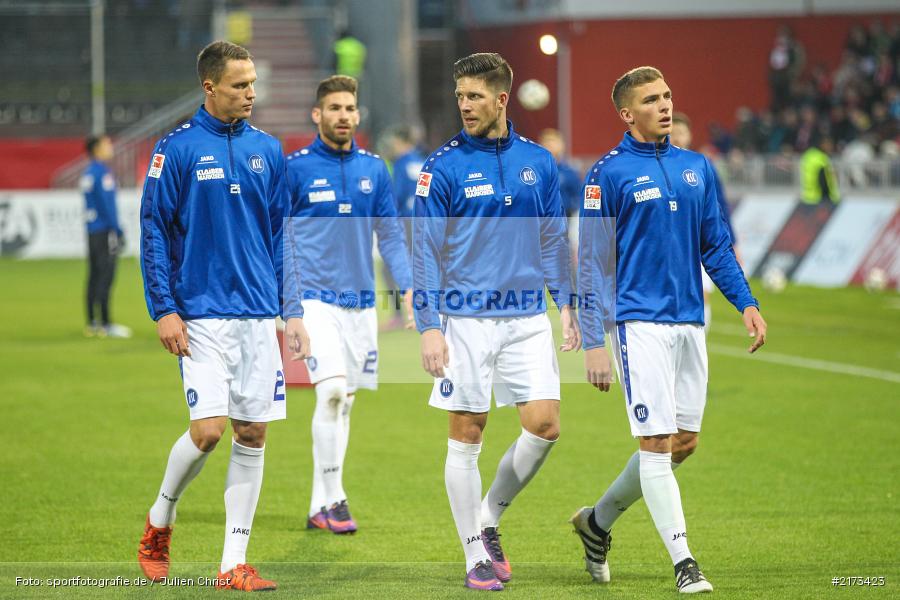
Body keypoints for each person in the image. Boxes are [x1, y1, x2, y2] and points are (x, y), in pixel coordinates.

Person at [573, 66, 767, 594]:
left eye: (667, 96)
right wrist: (593, 341)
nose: (664, 106)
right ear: (626, 113)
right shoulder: (606, 174)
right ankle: (684, 561)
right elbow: (590, 264)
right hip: (638, 325)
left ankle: (596, 523)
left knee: (683, 443)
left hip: (689, 323)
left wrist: (745, 302)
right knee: (655, 442)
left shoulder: (695, 167)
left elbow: (715, 247)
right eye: (651, 100)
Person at [137, 40, 309, 592]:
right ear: (209, 87)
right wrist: (164, 308)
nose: (250, 93)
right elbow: (153, 232)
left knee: (252, 433)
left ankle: (232, 564)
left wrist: (293, 310)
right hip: (201, 314)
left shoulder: (268, 149)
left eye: (253, 84)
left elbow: (282, 235)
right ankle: (160, 520)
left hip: (259, 315)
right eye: (239, 85)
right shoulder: (178, 149)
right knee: (208, 432)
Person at [413, 52, 579, 591]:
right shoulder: (443, 167)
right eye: (459, 96)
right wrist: (429, 325)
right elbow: (424, 251)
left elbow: (553, 237)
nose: (464, 105)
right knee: (468, 434)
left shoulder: (538, 161)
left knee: (545, 425)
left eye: (475, 96)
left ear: (502, 99)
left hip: (528, 316)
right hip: (465, 321)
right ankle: (473, 555)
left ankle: (487, 519)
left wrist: (568, 303)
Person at [285, 75, 413, 534]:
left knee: (346, 403)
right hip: (315, 300)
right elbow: (277, 236)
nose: (343, 115)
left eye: (349, 108)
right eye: (333, 108)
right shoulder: (295, 169)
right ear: (317, 115)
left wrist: (409, 284)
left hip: (361, 306)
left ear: (358, 116)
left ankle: (319, 504)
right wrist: (289, 303)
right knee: (332, 392)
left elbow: (391, 234)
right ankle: (336, 497)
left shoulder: (375, 170)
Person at [670, 112, 740, 332]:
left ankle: (699, 340)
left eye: (682, 132)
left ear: (690, 135)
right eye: (673, 133)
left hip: (699, 242)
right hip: (670, 244)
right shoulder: (656, 167)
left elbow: (720, 206)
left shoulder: (702, 166)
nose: (677, 137)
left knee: (702, 293)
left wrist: (733, 241)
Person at [81, 134, 131, 338]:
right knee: (105, 276)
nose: (110, 146)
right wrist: (117, 230)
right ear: (97, 149)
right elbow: (107, 205)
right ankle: (106, 324)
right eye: (106, 144)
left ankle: (92, 322)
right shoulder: (103, 173)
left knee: (93, 275)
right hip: (104, 230)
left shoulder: (88, 172)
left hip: (92, 230)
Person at [380, 124, 425, 330]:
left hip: (405, 221)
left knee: (389, 267)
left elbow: (396, 195)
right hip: (424, 221)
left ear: (401, 142)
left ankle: (399, 314)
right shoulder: (422, 160)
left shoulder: (401, 164)